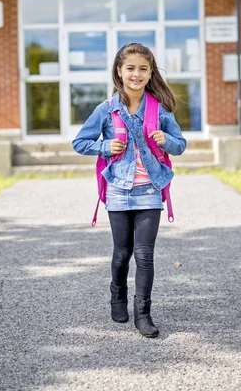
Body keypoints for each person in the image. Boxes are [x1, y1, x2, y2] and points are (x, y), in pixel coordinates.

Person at [72, 42, 187, 338]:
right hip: (118, 192)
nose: (136, 74)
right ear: (120, 72)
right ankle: (117, 296)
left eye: (143, 69)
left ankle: (143, 313)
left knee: (145, 255)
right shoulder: (106, 110)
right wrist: (104, 146)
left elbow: (180, 144)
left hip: (149, 189)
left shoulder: (158, 109)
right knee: (122, 253)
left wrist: (166, 140)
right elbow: (80, 143)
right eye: (130, 68)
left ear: (150, 75)